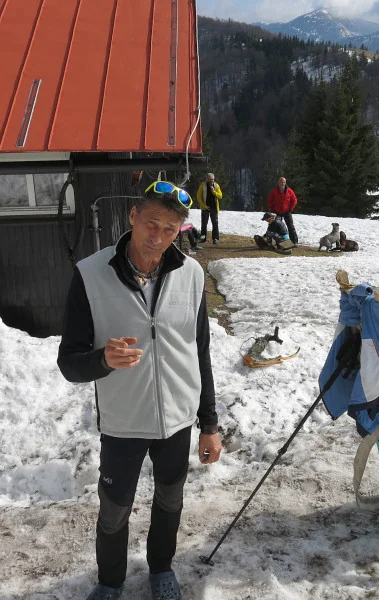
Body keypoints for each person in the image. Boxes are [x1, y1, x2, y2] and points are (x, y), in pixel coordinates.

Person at [57, 181, 222, 600]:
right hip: (123, 422)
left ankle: (161, 569)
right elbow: (69, 362)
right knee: (114, 510)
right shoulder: (90, 274)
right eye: (151, 223)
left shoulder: (191, 274)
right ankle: (110, 582)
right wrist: (103, 360)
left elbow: (200, 351)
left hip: (177, 420)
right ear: (133, 216)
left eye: (170, 229)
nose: (158, 236)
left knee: (170, 500)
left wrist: (209, 424)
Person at [267, 176, 298, 246]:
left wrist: (291, 208)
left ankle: (294, 241)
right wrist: (272, 209)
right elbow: (269, 200)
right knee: (276, 226)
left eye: (284, 182)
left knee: (291, 226)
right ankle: (278, 242)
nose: (282, 183)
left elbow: (294, 200)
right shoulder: (274, 191)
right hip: (277, 212)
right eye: (281, 182)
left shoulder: (289, 191)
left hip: (287, 211)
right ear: (278, 183)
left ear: (285, 183)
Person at [196, 173, 222, 244]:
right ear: (207, 179)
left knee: (215, 224)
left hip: (214, 208)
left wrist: (214, 191)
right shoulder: (203, 185)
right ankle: (203, 239)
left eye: (212, 179)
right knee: (204, 225)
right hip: (205, 208)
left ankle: (215, 239)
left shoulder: (216, 185)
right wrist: (203, 206)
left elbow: (220, 196)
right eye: (210, 179)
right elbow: (198, 197)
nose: (211, 181)